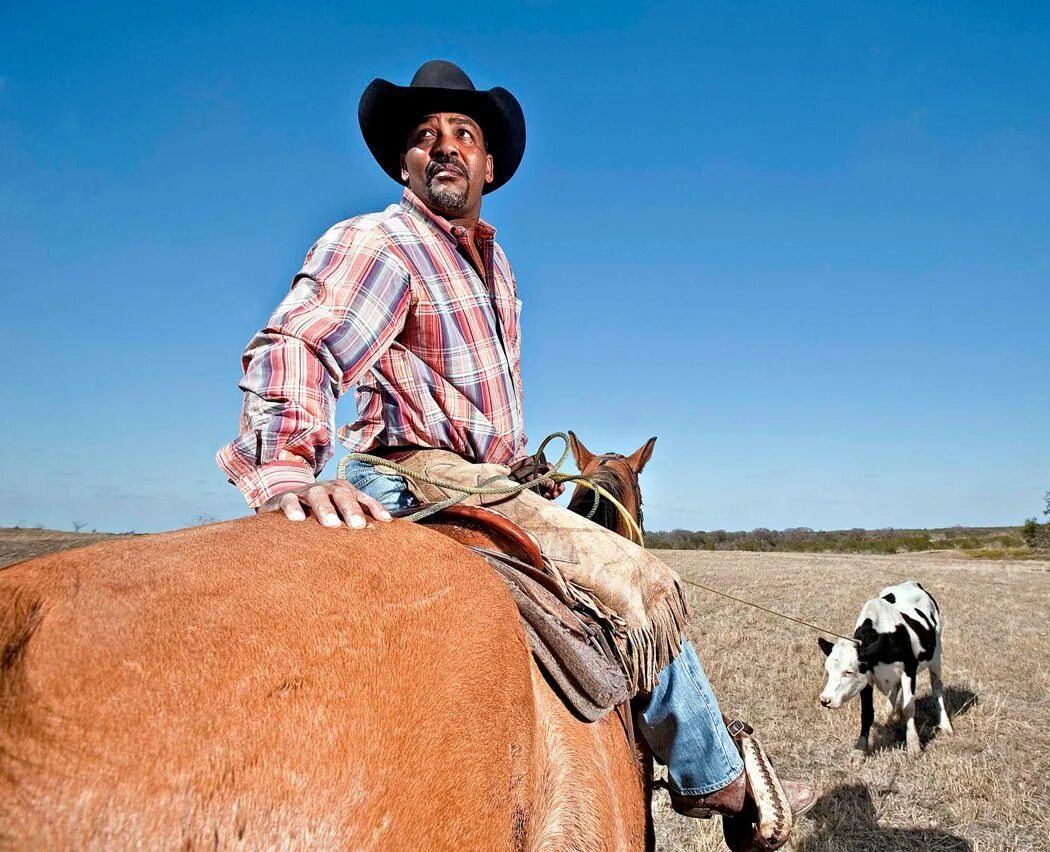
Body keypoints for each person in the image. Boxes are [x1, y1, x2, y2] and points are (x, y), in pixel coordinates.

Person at [216, 59, 814, 822]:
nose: (445, 147)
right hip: (412, 472)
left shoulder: (496, 270)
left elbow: (480, 408)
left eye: (463, 134)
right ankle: (715, 777)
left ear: (489, 165)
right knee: (638, 579)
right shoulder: (384, 242)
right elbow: (299, 343)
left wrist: (519, 474)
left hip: (483, 476)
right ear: (404, 162)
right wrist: (286, 473)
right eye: (425, 136)